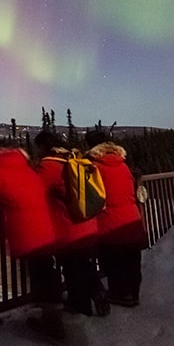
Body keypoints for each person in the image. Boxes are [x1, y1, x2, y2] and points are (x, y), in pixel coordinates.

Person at [0, 138, 65, 338]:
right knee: (45, 272)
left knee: (40, 276)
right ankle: (53, 317)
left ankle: (52, 324)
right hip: (45, 230)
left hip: (27, 233)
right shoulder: (28, 169)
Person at [32, 130, 107, 323]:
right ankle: (98, 292)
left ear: (43, 147)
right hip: (87, 222)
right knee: (85, 263)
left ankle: (80, 306)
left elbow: (33, 192)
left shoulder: (48, 166)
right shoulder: (73, 159)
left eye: (37, 147)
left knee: (72, 268)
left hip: (69, 227)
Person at [85, 128, 148, 307]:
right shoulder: (122, 163)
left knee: (113, 261)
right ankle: (133, 294)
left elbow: (90, 196)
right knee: (131, 261)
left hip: (109, 221)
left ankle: (119, 293)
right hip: (131, 219)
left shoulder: (93, 166)